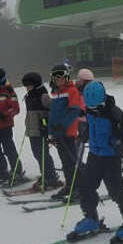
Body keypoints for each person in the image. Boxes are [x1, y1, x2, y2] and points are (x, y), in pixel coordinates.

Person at [69, 80, 123, 244]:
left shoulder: (114, 114)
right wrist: (84, 136)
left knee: (116, 190)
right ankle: (91, 218)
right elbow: (91, 126)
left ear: (102, 100)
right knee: (86, 186)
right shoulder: (90, 110)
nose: (92, 109)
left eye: (95, 106)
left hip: (111, 157)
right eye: (89, 106)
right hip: (94, 155)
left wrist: (122, 148)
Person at [47, 65, 84, 199]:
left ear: (66, 77)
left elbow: (75, 111)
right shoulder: (55, 92)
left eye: (61, 76)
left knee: (71, 160)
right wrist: (51, 130)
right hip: (58, 133)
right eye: (56, 77)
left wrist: (63, 126)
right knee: (64, 161)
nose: (59, 79)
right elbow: (53, 114)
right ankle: (70, 185)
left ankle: (79, 187)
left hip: (68, 132)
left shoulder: (72, 90)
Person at [21, 71, 60, 192]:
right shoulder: (29, 95)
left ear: (35, 84)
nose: (27, 88)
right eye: (26, 85)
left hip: (40, 130)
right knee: (37, 153)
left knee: (43, 154)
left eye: (29, 85)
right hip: (32, 129)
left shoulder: (43, 96)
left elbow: (52, 110)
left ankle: (51, 177)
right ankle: (46, 175)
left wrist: (46, 125)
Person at [0, 67, 24, 184]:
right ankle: (2, 170)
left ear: (2, 80)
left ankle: (17, 171)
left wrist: (4, 115)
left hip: (5, 126)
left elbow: (15, 109)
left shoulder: (9, 91)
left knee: (9, 149)